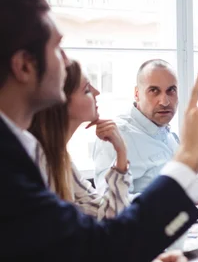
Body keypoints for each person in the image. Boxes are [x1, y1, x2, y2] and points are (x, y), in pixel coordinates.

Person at [0, 0, 198, 262]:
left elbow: (58, 255)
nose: (67, 62)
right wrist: (189, 156)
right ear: (24, 66)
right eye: (57, 48)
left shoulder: (22, 150)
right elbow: (102, 246)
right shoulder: (7, 164)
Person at [29, 60, 132, 219]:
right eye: (86, 90)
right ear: (61, 102)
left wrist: (121, 153)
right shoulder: (39, 160)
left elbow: (109, 216)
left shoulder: (61, 159)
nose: (97, 92)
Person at [93, 59, 180, 194]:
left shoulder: (170, 136)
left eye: (171, 90)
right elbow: (110, 205)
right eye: (154, 90)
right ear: (137, 94)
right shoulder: (117, 136)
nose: (165, 101)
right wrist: (167, 202)